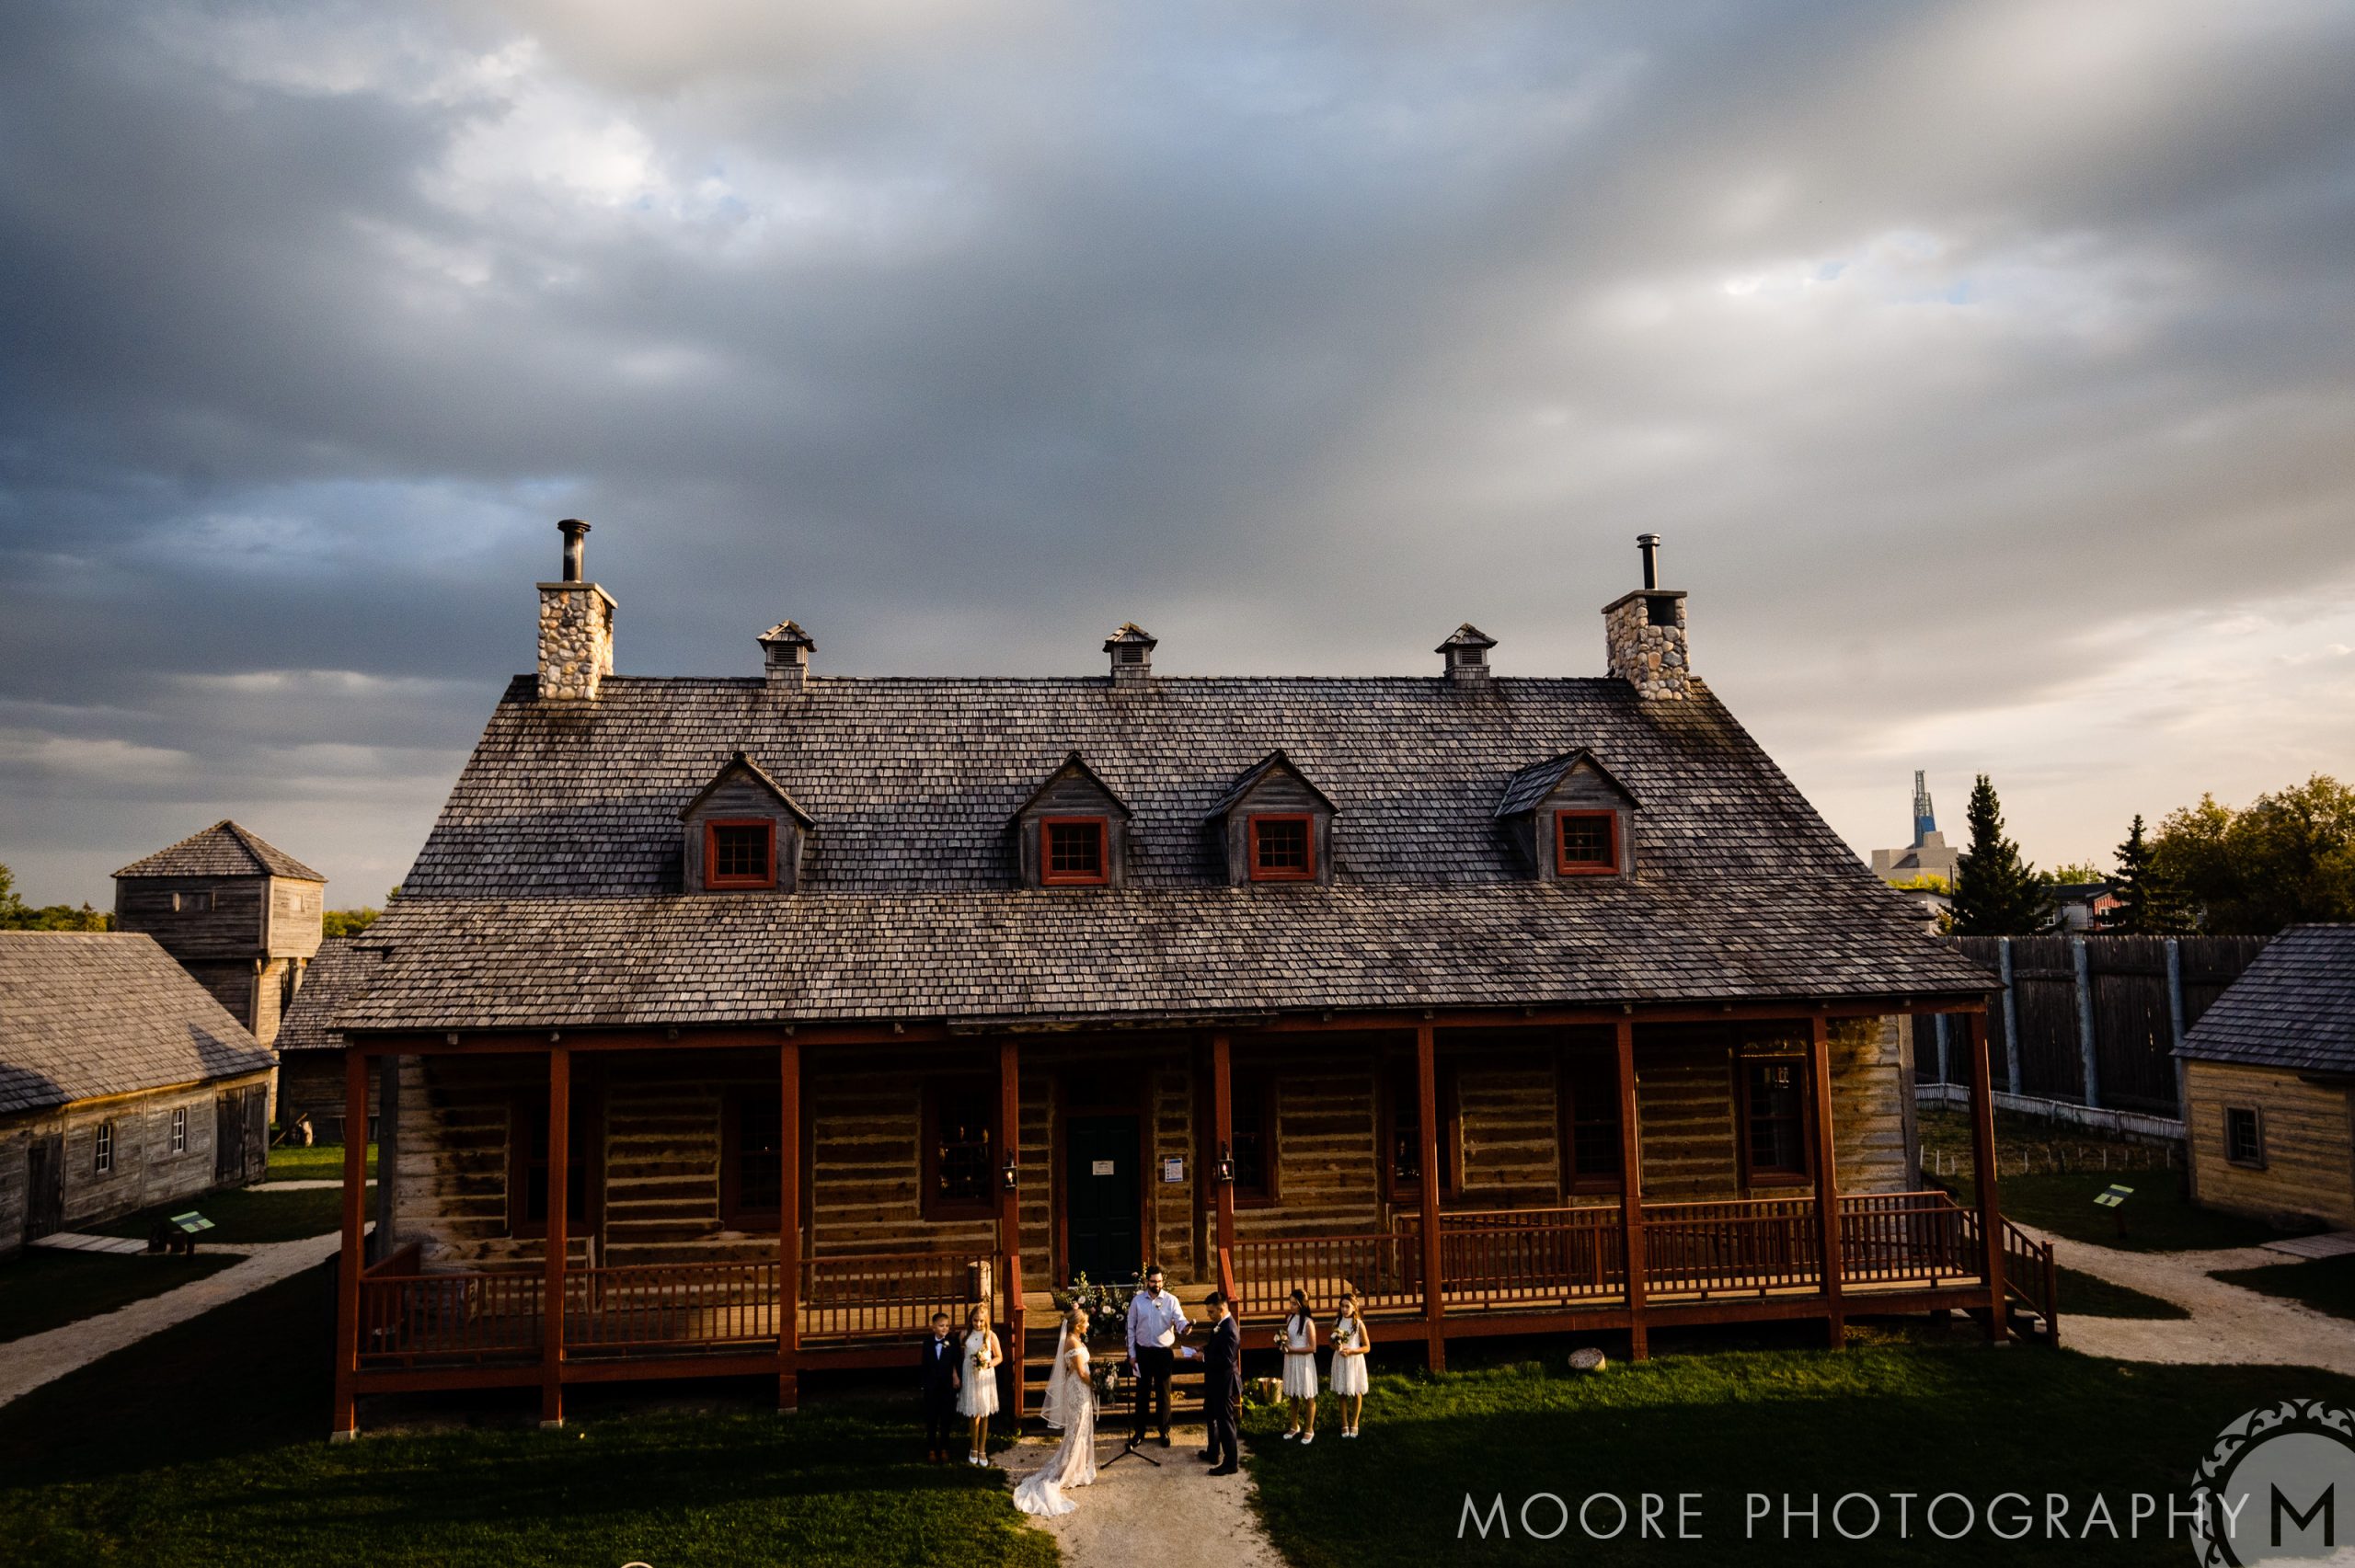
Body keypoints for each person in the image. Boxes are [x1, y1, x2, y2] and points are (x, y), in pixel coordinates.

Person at [1013, 1305, 1098, 1516]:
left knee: (1081, 1428)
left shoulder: (1074, 1339)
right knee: (1077, 1429)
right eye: (1086, 1322)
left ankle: (1078, 1467)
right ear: (1078, 1325)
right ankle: (1070, 1470)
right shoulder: (1071, 1341)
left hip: (1080, 1389)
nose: (1088, 1325)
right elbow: (1080, 1371)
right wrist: (1097, 1383)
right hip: (1078, 1389)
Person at [1124, 1264, 1189, 1448]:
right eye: (1154, 1281)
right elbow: (1130, 1328)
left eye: (1160, 1281)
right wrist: (1132, 1353)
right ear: (1147, 1281)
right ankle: (1139, 1431)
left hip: (1163, 1353)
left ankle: (1164, 1430)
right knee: (1142, 1393)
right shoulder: (1137, 1302)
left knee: (1164, 1394)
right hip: (1143, 1352)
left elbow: (1180, 1319)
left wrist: (1185, 1327)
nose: (1157, 1285)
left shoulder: (1171, 1300)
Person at [1199, 1289, 1242, 1476]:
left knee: (1225, 1421)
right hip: (1214, 1380)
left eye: (1211, 1312)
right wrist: (1204, 1348)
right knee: (1210, 1413)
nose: (1209, 1316)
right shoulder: (1220, 1325)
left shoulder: (1230, 1329)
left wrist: (1203, 1357)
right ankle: (1213, 1451)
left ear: (1222, 1309)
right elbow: (1217, 1347)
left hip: (1224, 1382)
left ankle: (1231, 1462)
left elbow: (1225, 1359)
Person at [957, 1304, 1003, 1466]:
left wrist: (987, 1363)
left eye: (981, 1321)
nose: (978, 1324)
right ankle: (973, 1448)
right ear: (971, 1319)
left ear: (986, 1321)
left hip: (985, 1376)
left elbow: (999, 1357)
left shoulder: (990, 1336)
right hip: (970, 1375)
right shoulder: (964, 1334)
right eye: (975, 1320)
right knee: (973, 1414)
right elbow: (962, 1355)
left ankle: (982, 1448)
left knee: (983, 1414)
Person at [918, 1310, 962, 1462]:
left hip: (946, 1386)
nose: (944, 1328)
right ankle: (931, 1448)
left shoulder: (952, 1341)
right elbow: (924, 1364)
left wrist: (956, 1377)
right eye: (941, 1326)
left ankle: (944, 1448)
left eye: (947, 1326)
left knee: (946, 1418)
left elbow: (957, 1361)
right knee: (931, 1418)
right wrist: (924, 1384)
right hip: (931, 1386)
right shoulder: (928, 1342)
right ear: (934, 1327)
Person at [1278, 1288, 1318, 1444]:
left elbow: (1313, 1347)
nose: (1291, 1306)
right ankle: (1294, 1425)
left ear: (1302, 1305)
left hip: (1303, 1361)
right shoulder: (1290, 1319)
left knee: (1308, 1395)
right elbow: (1289, 1338)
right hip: (1291, 1360)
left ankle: (1309, 1428)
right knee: (1293, 1394)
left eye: (1294, 1304)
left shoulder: (1308, 1323)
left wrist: (1293, 1349)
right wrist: (1283, 1344)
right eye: (1290, 1303)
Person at [1328, 1291, 1370, 1437]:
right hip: (1340, 1360)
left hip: (1354, 1360)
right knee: (1342, 1392)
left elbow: (1367, 1347)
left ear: (1354, 1307)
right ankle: (1344, 1423)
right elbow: (1330, 1344)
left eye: (1347, 1306)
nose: (1344, 1309)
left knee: (1356, 1391)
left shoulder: (1358, 1324)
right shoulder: (1336, 1323)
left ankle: (1355, 1422)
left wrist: (1351, 1351)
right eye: (1342, 1306)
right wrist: (1337, 1346)